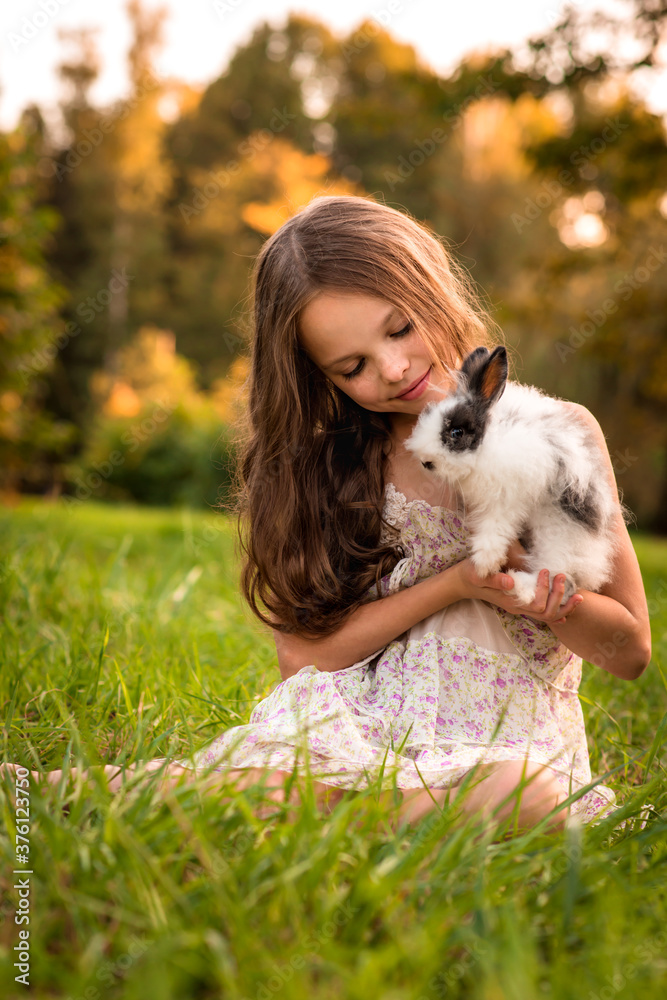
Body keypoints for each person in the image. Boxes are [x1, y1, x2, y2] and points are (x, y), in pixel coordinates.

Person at [1, 195, 651, 835]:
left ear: (431, 286)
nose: (394, 369)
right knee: (273, 776)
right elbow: (300, 658)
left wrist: (538, 598)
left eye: (399, 328)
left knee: (525, 795)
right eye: (353, 367)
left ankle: (325, 815)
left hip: (508, 743)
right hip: (359, 727)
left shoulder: (557, 435)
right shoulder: (333, 466)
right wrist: (452, 584)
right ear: (321, 378)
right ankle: (46, 794)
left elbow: (629, 652)